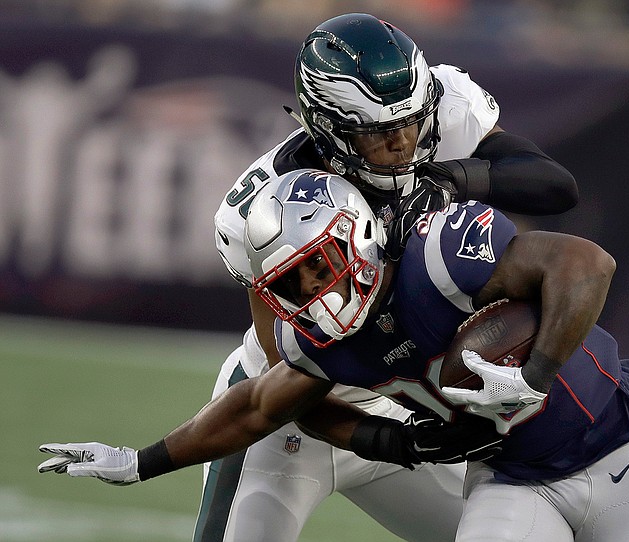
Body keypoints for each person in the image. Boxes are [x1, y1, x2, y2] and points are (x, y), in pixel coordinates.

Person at [39, 169, 629, 541]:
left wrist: (536, 374)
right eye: (293, 284)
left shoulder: (437, 257)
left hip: (612, 443)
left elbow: (586, 263)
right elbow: (257, 407)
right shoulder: (326, 341)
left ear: (353, 235)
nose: (315, 292)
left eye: (317, 267)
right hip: (510, 478)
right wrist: (139, 462)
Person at [204, 11, 577, 542]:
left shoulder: (444, 109)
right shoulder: (268, 208)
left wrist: (455, 177)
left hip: (408, 399)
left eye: (412, 122)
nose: (404, 142)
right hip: (296, 412)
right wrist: (386, 441)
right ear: (327, 128)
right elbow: (288, 375)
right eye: (379, 133)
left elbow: (555, 188)